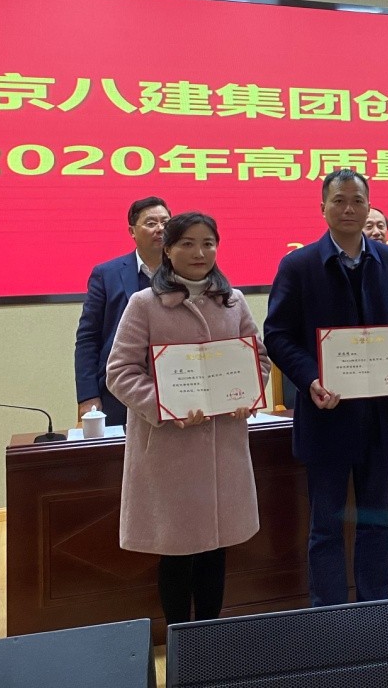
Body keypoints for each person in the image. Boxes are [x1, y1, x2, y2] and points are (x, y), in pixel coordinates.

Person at [106, 211, 270, 625]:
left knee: (216, 548)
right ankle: (181, 639)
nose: (200, 252)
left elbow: (259, 360)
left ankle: (208, 640)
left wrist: (246, 394)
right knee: (177, 552)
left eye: (208, 243)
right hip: (169, 449)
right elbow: (120, 372)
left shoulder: (233, 301)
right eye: (188, 244)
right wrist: (165, 406)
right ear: (167, 250)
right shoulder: (144, 304)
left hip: (223, 446)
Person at [263, 170, 388, 606]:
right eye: (339, 201)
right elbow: (277, 334)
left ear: (369, 206)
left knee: (377, 523)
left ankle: (375, 613)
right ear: (323, 208)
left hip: (380, 417)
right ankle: (329, 619)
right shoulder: (299, 265)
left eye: (357, 200)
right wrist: (311, 377)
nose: (349, 209)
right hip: (326, 416)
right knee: (326, 527)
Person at [75, 196, 171, 426]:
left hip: (173, 385)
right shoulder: (107, 274)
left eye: (166, 222)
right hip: (117, 391)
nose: (160, 229)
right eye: (151, 223)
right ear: (132, 231)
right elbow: (88, 338)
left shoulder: (185, 273)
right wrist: (88, 396)